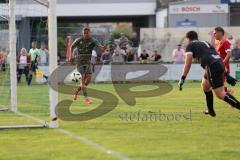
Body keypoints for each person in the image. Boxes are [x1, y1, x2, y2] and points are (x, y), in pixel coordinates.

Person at [178, 31, 239, 117]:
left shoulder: (190, 45)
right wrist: (226, 75)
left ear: (188, 39)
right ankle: (211, 111)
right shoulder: (205, 43)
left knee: (220, 94)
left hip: (212, 66)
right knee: (205, 86)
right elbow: (217, 56)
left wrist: (182, 78)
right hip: (217, 64)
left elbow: (188, 63)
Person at [71, 27, 106, 104]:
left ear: (90, 33)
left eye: (87, 33)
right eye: (84, 33)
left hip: (87, 62)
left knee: (88, 81)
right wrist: (70, 56)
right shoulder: (79, 40)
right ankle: (86, 98)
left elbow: (100, 47)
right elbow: (71, 46)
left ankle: (76, 91)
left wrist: (102, 48)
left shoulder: (93, 40)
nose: (86, 34)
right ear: (83, 34)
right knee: (83, 80)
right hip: (79, 62)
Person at [214, 27, 232, 93]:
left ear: (220, 33)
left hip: (223, 68)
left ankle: (230, 93)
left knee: (216, 87)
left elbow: (229, 54)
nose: (214, 35)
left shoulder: (225, 42)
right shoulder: (219, 43)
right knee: (215, 87)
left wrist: (222, 63)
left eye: (215, 33)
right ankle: (229, 92)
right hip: (219, 68)